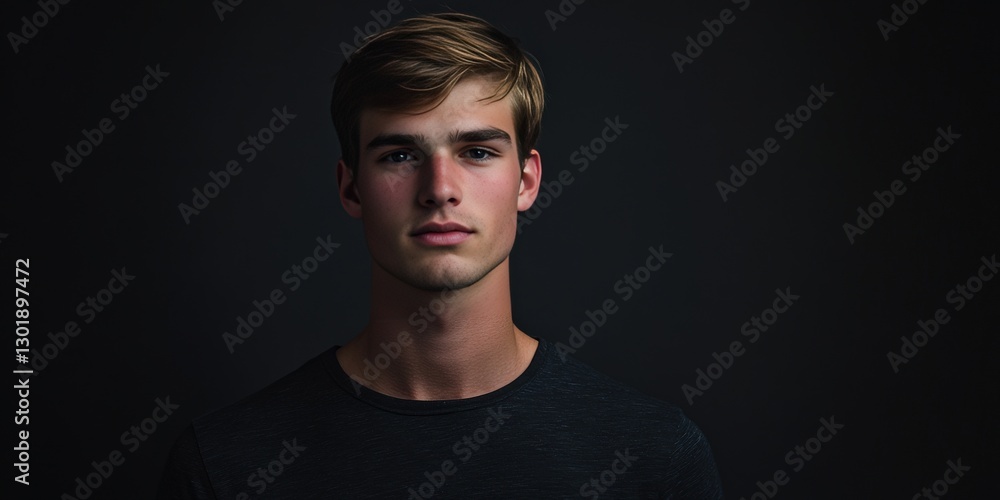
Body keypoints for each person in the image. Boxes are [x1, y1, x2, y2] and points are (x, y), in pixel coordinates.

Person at [157, 12, 723, 499]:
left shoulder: (654, 457)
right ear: (351, 188)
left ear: (526, 182)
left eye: (477, 151)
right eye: (400, 154)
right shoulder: (226, 464)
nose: (440, 187)